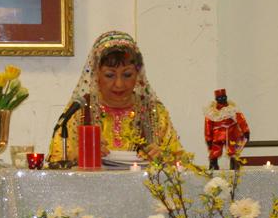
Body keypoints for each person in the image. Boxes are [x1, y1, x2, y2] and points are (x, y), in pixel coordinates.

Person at [48, 31, 182, 165]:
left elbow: (182, 163)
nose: (119, 84)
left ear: (138, 74)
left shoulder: (154, 112)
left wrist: (164, 158)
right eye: (110, 75)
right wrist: (82, 154)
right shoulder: (80, 110)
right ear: (96, 75)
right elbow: (56, 161)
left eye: (127, 75)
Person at [204, 88, 250, 170]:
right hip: (218, 135)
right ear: (216, 99)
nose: (222, 99)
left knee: (233, 149)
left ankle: (234, 164)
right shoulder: (212, 112)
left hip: (231, 133)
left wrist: (246, 131)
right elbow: (208, 126)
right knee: (215, 150)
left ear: (226, 97)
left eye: (224, 97)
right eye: (219, 98)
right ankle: (213, 164)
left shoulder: (232, 109)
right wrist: (208, 139)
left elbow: (241, 120)